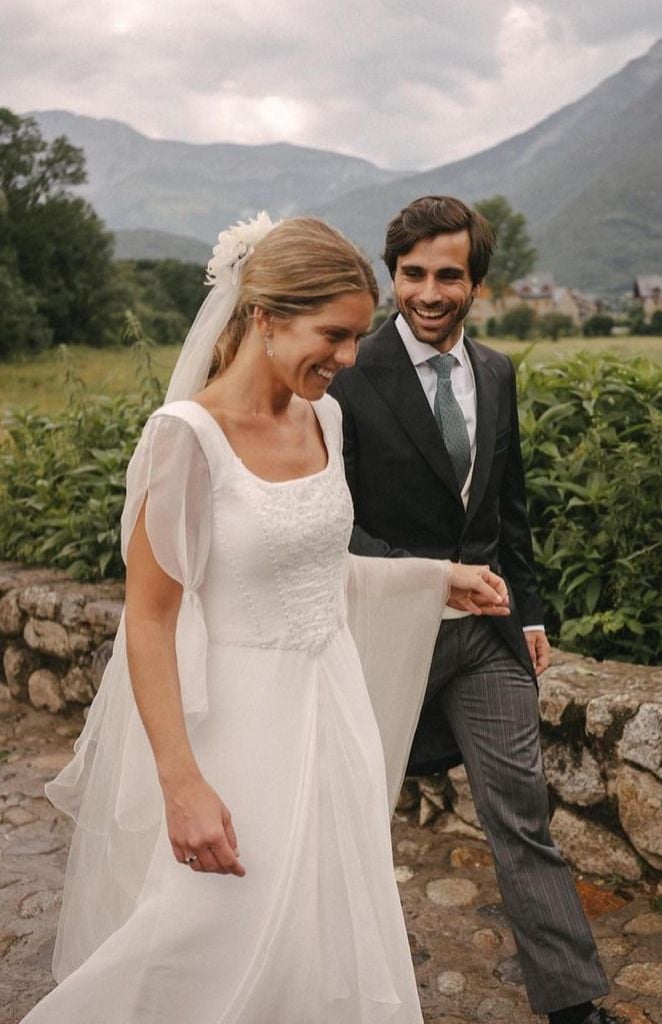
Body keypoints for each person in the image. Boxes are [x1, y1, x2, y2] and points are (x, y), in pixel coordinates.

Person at [21, 214, 511, 1024]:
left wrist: (434, 579)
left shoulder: (325, 418)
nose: (350, 359)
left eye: (358, 338)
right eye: (336, 335)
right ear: (265, 317)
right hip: (239, 733)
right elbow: (148, 621)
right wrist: (182, 786)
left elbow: (311, 568)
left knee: (324, 927)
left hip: (332, 712)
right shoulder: (186, 439)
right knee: (205, 934)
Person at [330, 196, 613, 1024]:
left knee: (521, 818)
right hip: (383, 638)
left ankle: (574, 1007)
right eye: (411, 274)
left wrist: (528, 613)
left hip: (484, 642)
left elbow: (506, 510)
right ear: (392, 278)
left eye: (446, 275)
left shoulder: (497, 371)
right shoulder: (350, 373)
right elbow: (331, 524)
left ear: (476, 284)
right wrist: (427, 577)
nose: (427, 291)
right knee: (348, 819)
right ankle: (333, 988)